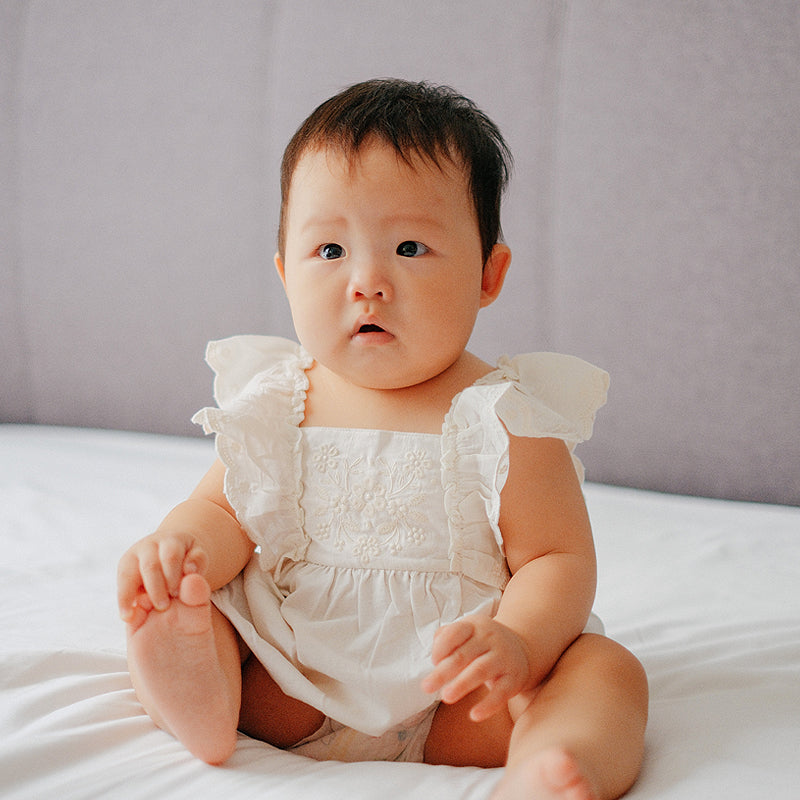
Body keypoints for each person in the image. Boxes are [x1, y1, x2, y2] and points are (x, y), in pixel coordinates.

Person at [117, 79, 647, 800]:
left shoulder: (506, 417)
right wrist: (181, 551)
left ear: (488, 274)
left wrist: (519, 645)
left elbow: (556, 558)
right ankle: (198, 695)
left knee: (604, 670)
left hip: (460, 698)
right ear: (284, 274)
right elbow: (223, 512)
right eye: (330, 250)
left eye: (409, 246)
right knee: (205, 611)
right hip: (292, 682)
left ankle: (551, 763)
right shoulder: (276, 405)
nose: (366, 282)